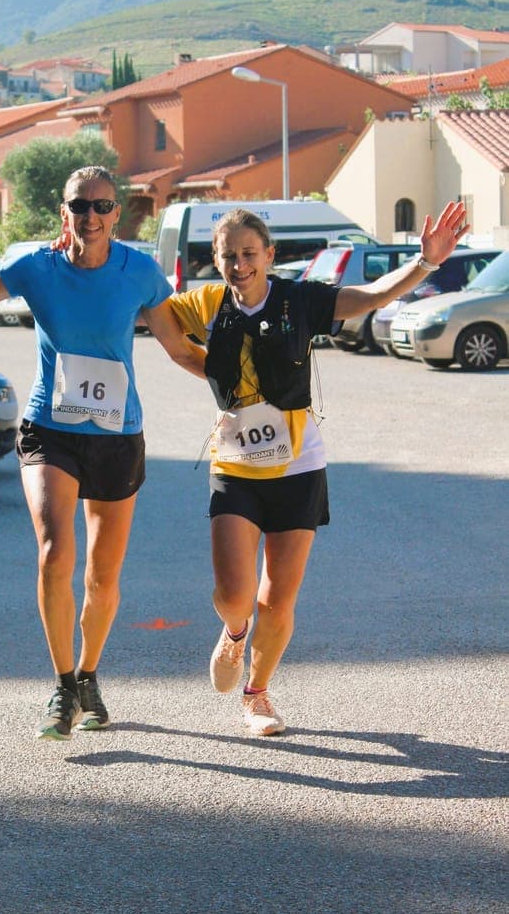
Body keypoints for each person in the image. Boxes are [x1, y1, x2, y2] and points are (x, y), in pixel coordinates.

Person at [0, 165, 206, 740]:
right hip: (52, 427)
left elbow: (178, 347)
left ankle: (90, 674)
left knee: (102, 574)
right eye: (79, 206)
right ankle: (64, 683)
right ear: (62, 212)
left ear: (117, 213)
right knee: (53, 553)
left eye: (101, 206)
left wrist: (234, 382)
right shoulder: (36, 267)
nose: (89, 216)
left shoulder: (139, 272)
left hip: (118, 432)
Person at [169, 200, 468, 736]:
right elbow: (156, 317)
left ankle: (257, 696)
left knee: (278, 598)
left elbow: (372, 296)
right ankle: (234, 632)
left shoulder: (299, 300)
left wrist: (425, 264)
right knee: (235, 594)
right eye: (230, 255)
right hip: (235, 466)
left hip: (298, 467)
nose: (240, 264)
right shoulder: (208, 303)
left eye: (249, 253)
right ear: (217, 261)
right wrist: (202, 365)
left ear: (269, 255)